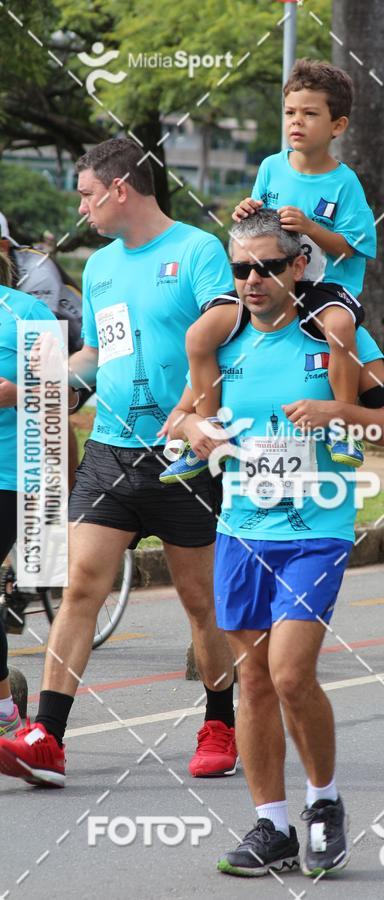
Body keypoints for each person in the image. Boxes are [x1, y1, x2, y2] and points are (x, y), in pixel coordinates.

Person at [171, 209, 384, 877]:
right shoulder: (223, 340)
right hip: (242, 532)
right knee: (252, 680)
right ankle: (271, 825)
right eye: (241, 269)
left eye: (267, 267)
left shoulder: (333, 334)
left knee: (290, 673)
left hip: (317, 531)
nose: (252, 280)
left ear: (297, 268)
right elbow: (191, 414)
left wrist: (342, 413)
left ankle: (324, 805)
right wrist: (194, 430)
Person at [0, 138, 237, 787]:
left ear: (119, 190)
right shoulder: (100, 269)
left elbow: (227, 319)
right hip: (110, 450)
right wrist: (45, 379)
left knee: (198, 601)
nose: (80, 205)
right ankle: (47, 735)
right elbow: (98, 357)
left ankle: (220, 719)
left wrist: (196, 407)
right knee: (80, 588)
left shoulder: (196, 251)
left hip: (183, 456)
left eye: (85, 193)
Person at [161, 58, 376, 485]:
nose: (297, 122)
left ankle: (342, 427)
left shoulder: (344, 182)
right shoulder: (270, 167)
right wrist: (245, 209)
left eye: (310, 114)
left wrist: (314, 229)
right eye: (291, 113)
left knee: (339, 330)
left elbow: (354, 247)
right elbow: (253, 224)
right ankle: (207, 435)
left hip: (322, 288)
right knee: (200, 335)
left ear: (338, 125)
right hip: (266, 285)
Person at [0, 251, 57, 737]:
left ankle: (4, 713)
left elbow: (65, 389)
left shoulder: (26, 312)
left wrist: (17, 393)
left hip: (10, 471)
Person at [0, 212, 87, 489]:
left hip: (76, 338)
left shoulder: (35, 276)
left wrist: (21, 393)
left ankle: (67, 497)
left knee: (56, 413)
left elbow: (59, 398)